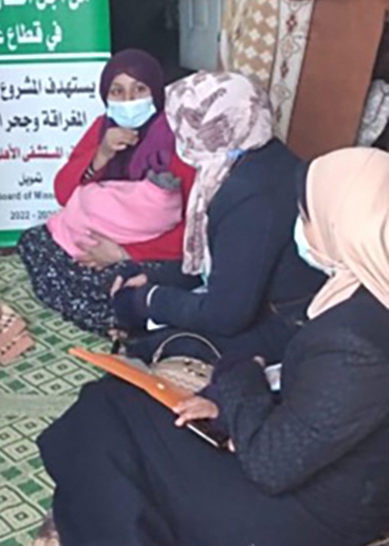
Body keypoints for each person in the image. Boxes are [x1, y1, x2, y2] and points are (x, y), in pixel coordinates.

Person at [39, 145, 389, 546]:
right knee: (136, 410)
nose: (299, 228)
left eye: (307, 213)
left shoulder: (357, 336)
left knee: (106, 413)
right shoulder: (365, 289)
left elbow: (272, 465)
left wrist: (239, 375)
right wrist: (229, 406)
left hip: (288, 529)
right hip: (321, 488)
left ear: (347, 222)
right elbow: (329, 415)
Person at [112, 70, 323, 364]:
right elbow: (220, 260)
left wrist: (149, 300)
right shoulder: (266, 158)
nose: (179, 139)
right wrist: (155, 278)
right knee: (139, 302)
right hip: (261, 300)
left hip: (288, 326)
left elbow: (227, 315)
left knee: (156, 346)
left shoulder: (251, 196)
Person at [17, 50, 195, 334]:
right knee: (33, 241)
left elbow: (193, 228)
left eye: (139, 90)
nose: (128, 101)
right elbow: (63, 194)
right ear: (105, 96)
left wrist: (123, 253)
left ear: (157, 92)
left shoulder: (179, 141)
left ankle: (119, 318)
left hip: (152, 247)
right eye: (117, 92)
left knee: (116, 282)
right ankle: (116, 317)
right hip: (98, 235)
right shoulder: (103, 128)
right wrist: (101, 154)